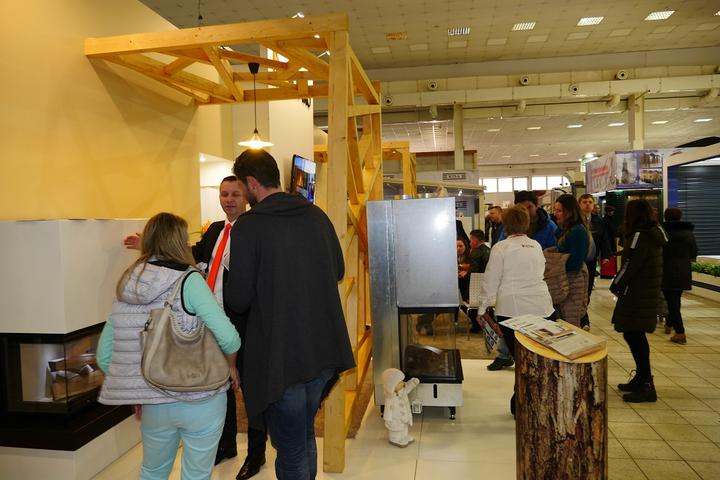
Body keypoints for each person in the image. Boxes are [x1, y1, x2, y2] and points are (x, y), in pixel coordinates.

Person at [124, 177, 267, 478]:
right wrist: (148, 246)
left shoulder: (255, 230)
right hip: (209, 320)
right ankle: (225, 445)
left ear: (246, 197)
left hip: (245, 321)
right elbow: (188, 254)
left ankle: (256, 455)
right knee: (220, 384)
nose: (229, 200)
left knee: (251, 390)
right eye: (224, 194)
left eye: (235, 194)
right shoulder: (215, 229)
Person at [225, 149, 355, 480]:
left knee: (292, 446)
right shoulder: (316, 215)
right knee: (303, 434)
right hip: (322, 349)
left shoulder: (248, 226)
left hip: (282, 356)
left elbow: (238, 299)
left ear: (251, 183)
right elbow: (338, 270)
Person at [97, 212, 241, 480]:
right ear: (179, 242)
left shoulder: (130, 281)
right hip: (202, 397)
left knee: (152, 472)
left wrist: (137, 390)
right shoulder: (190, 280)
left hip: (154, 399)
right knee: (196, 475)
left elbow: (106, 357)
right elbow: (229, 337)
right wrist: (231, 365)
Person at [478, 206, 555, 406]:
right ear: (526, 223)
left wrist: (482, 308)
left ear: (506, 224)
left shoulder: (501, 248)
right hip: (542, 307)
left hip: (512, 310)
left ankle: (521, 403)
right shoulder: (536, 245)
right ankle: (533, 402)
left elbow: (491, 280)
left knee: (521, 359)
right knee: (536, 358)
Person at [611, 200, 668, 403]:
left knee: (634, 335)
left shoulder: (639, 236)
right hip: (645, 291)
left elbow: (630, 264)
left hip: (637, 293)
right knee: (634, 334)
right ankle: (642, 378)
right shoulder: (653, 233)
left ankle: (646, 384)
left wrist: (616, 284)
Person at [553, 194, 591, 326]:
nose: (555, 214)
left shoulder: (577, 231)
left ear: (569, 212)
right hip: (565, 279)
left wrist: (556, 264)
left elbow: (575, 262)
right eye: (555, 210)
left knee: (571, 320)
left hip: (574, 281)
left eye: (559, 210)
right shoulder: (565, 229)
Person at [661, 207, 698, 344]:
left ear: (665, 217)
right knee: (675, 300)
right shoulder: (688, 233)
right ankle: (669, 324)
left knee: (672, 302)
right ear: (680, 217)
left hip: (666, 271)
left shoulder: (663, 232)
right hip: (683, 271)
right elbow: (694, 252)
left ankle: (680, 332)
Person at [578, 194, 612, 330]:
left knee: (587, 290)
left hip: (591, 261)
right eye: (584, 202)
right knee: (579, 290)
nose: (587, 204)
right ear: (579, 204)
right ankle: (583, 319)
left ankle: (583, 316)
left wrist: (606, 256)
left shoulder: (599, 222)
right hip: (578, 260)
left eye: (590, 202)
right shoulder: (576, 220)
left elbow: (604, 239)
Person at [460, 229, 491, 333]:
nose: (469, 243)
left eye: (470, 240)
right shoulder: (490, 250)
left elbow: (473, 274)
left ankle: (476, 324)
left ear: (475, 240)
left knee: (462, 299)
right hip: (489, 290)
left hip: (476, 290)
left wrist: (464, 275)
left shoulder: (475, 252)